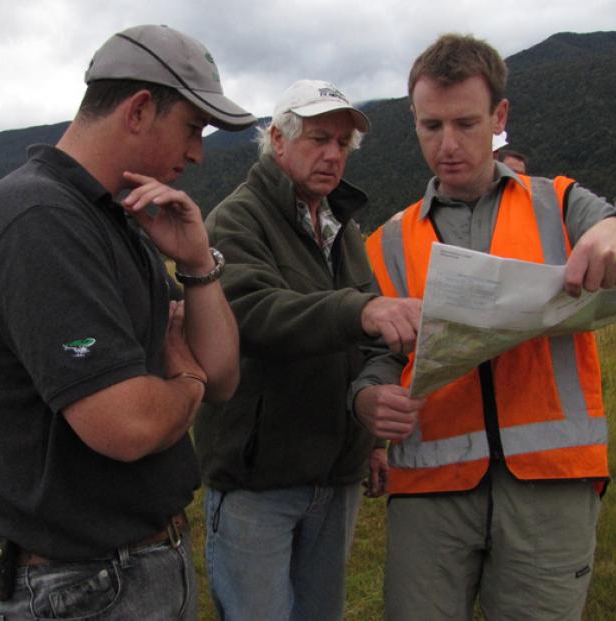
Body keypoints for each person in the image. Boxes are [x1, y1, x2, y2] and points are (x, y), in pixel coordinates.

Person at [0, 24, 255, 620]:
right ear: (140, 109)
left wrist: (196, 262)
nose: (197, 152)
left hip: (130, 565)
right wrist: (184, 383)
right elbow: (127, 425)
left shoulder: (116, 216)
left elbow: (221, 375)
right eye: (193, 128)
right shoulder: (38, 219)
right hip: (80, 585)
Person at [361, 34, 616, 620]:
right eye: (430, 127)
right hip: (430, 492)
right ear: (413, 122)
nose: (447, 145)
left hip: (551, 487)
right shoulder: (388, 242)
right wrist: (366, 398)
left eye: (466, 124)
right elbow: (371, 354)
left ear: (499, 117)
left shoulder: (562, 203)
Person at [194, 79, 422, 621]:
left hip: (334, 479)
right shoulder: (236, 219)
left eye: (342, 144)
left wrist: (366, 429)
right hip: (258, 483)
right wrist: (360, 311)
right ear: (277, 138)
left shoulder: (340, 228)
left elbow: (370, 343)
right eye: (319, 138)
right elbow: (253, 314)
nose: (332, 155)